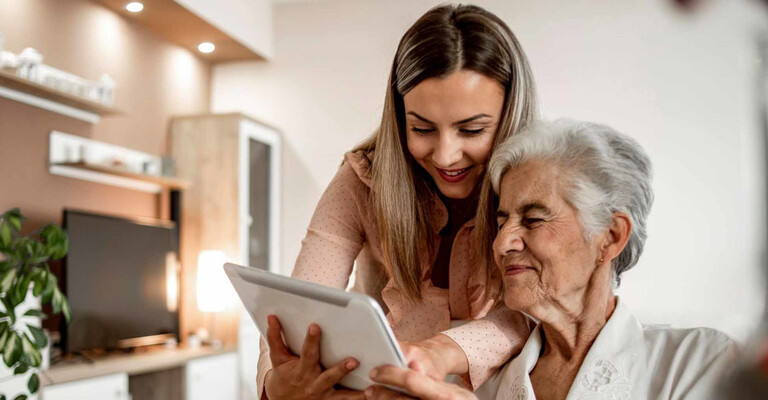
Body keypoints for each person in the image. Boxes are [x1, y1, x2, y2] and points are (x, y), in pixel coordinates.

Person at [258, 4, 539, 399]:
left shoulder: (539, 182)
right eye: (421, 128)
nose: (445, 155)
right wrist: (275, 384)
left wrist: (443, 351)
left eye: (472, 129)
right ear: (399, 116)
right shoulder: (363, 179)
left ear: (511, 115)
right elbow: (300, 306)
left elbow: (533, 309)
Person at [364, 119, 738, 399]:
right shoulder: (484, 380)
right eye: (501, 221)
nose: (502, 243)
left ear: (609, 237)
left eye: (533, 219)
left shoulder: (698, 363)